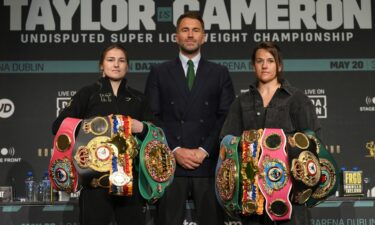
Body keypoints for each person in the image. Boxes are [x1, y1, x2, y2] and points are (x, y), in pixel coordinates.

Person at [145, 11, 235, 225]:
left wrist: (204, 150)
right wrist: (175, 150)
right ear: (176, 36)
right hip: (169, 165)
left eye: (196, 30)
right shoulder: (159, 72)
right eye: (185, 30)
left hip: (208, 164)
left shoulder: (219, 72)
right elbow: (153, 117)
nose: (190, 35)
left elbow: (226, 117)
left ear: (204, 36)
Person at [52, 43, 154, 225]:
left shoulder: (139, 98)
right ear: (102, 65)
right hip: (94, 184)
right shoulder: (88, 94)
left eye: (121, 60)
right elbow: (59, 126)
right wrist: (93, 126)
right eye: (111, 60)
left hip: (131, 184)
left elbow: (156, 136)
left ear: (127, 66)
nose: (116, 64)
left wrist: (142, 127)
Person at [220, 41, 321, 224]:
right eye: (259, 61)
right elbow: (227, 143)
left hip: (289, 197)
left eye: (270, 60)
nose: (265, 65)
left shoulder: (297, 99)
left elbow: (312, 142)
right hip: (252, 198)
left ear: (279, 65)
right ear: (253, 66)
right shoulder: (242, 102)